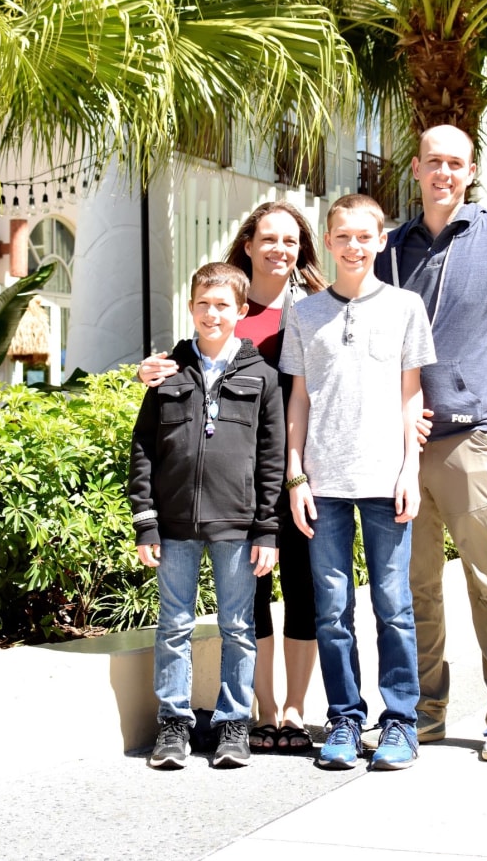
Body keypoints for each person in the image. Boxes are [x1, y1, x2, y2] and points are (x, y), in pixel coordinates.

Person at [374, 124, 487, 762]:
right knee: (414, 585)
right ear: (415, 170)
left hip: (475, 438)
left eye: (455, 163)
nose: (443, 172)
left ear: (469, 172)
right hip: (402, 447)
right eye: (432, 162)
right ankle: (426, 709)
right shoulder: (389, 249)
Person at [137, 201, 325, 753]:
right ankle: (260, 712)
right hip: (245, 485)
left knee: (306, 591)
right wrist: (151, 369)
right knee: (251, 599)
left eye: (290, 241)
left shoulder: (315, 309)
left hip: (306, 473)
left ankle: (294, 709)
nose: (279, 250)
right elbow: (183, 377)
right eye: (268, 238)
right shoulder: (226, 306)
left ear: (301, 249)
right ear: (248, 243)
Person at [281, 194, 436, 771]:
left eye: (363, 236)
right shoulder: (304, 314)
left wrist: (409, 471)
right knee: (332, 610)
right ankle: (344, 719)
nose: (353, 246)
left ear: (380, 240)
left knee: (393, 607)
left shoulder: (405, 307)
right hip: (323, 486)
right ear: (329, 239)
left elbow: (411, 395)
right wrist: (296, 476)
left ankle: (400, 724)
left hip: (384, 482)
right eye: (342, 236)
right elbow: (297, 401)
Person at [128, 262, 285, 769]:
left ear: (241, 311)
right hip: (173, 526)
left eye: (222, 305)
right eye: (202, 304)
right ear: (191, 308)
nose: (211, 314)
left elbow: (272, 458)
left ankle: (233, 723)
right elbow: (144, 447)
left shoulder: (262, 378)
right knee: (173, 623)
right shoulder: (168, 373)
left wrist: (267, 528)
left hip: (238, 528)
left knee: (238, 625)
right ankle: (174, 723)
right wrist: (145, 520)